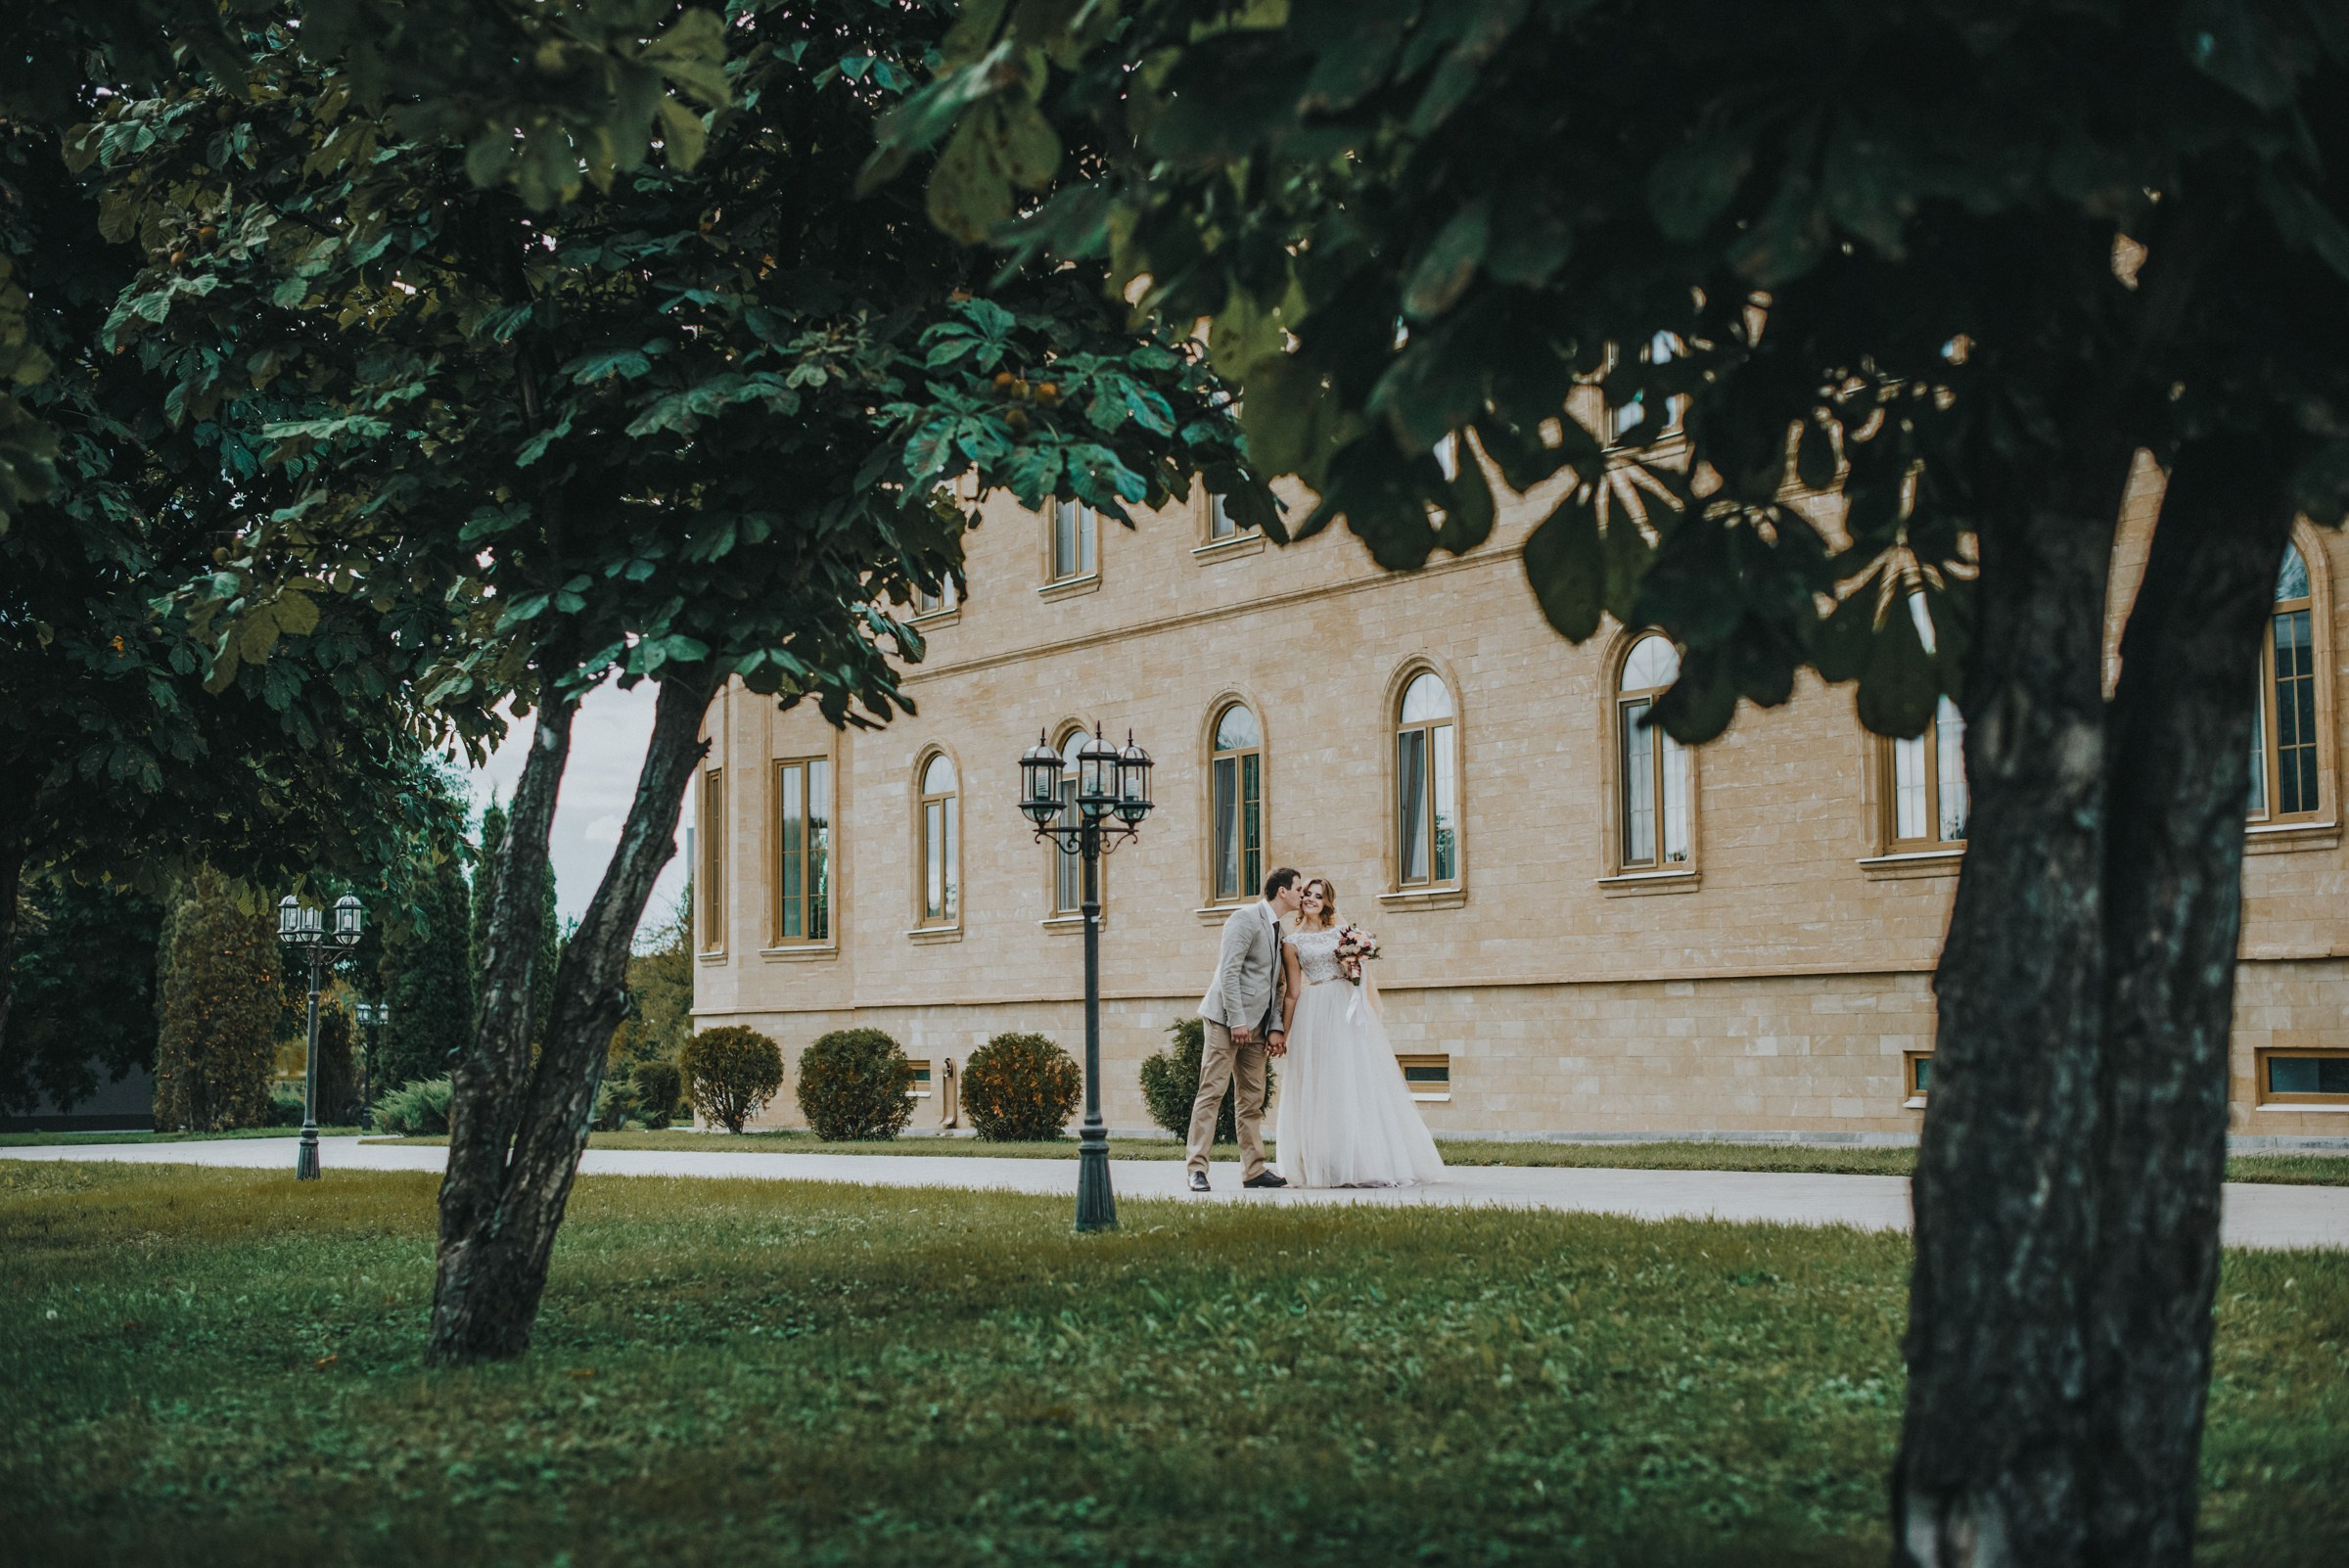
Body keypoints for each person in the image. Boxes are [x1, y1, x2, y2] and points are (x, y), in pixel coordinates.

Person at [1274, 876, 1444, 1188]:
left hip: (1344, 1007)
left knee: (1352, 1078)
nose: (1311, 898)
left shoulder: (1342, 934)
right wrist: (1283, 1033)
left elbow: (1356, 975)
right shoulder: (1292, 943)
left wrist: (1355, 967)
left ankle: (1364, 1160)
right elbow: (1293, 992)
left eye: (1318, 895)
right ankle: (1324, 1162)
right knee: (1319, 1085)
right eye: (1307, 893)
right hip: (1314, 1011)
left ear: (1327, 902)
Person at [1187, 866, 1303, 1191]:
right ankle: (1196, 1168)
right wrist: (1236, 1020)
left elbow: (1278, 986)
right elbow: (1229, 972)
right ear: (1282, 891)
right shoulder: (1244, 919)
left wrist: (1275, 1027)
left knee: (1252, 1099)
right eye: (1299, 888)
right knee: (1211, 1093)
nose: (1302, 894)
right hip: (1226, 1020)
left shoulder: (1280, 931)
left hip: (1259, 1027)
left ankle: (1253, 1170)